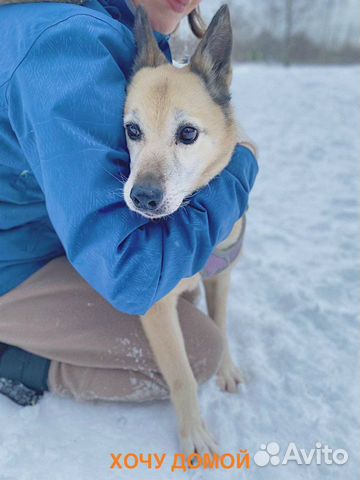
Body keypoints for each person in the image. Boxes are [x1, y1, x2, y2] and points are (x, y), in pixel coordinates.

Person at [0, 0, 258, 405]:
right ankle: (16, 361)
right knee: (199, 353)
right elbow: (135, 275)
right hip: (13, 265)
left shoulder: (116, 38)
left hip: (38, 233)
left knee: (182, 285)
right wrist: (243, 165)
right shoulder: (67, 45)